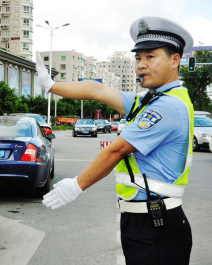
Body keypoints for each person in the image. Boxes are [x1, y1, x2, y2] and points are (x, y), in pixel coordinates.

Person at [37, 16, 194, 265]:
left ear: (175, 60)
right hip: (144, 222)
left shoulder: (168, 106)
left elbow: (116, 150)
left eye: (150, 57)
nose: (141, 65)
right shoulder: (149, 100)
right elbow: (97, 90)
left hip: (157, 227)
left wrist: (77, 185)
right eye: (138, 58)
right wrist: (52, 85)